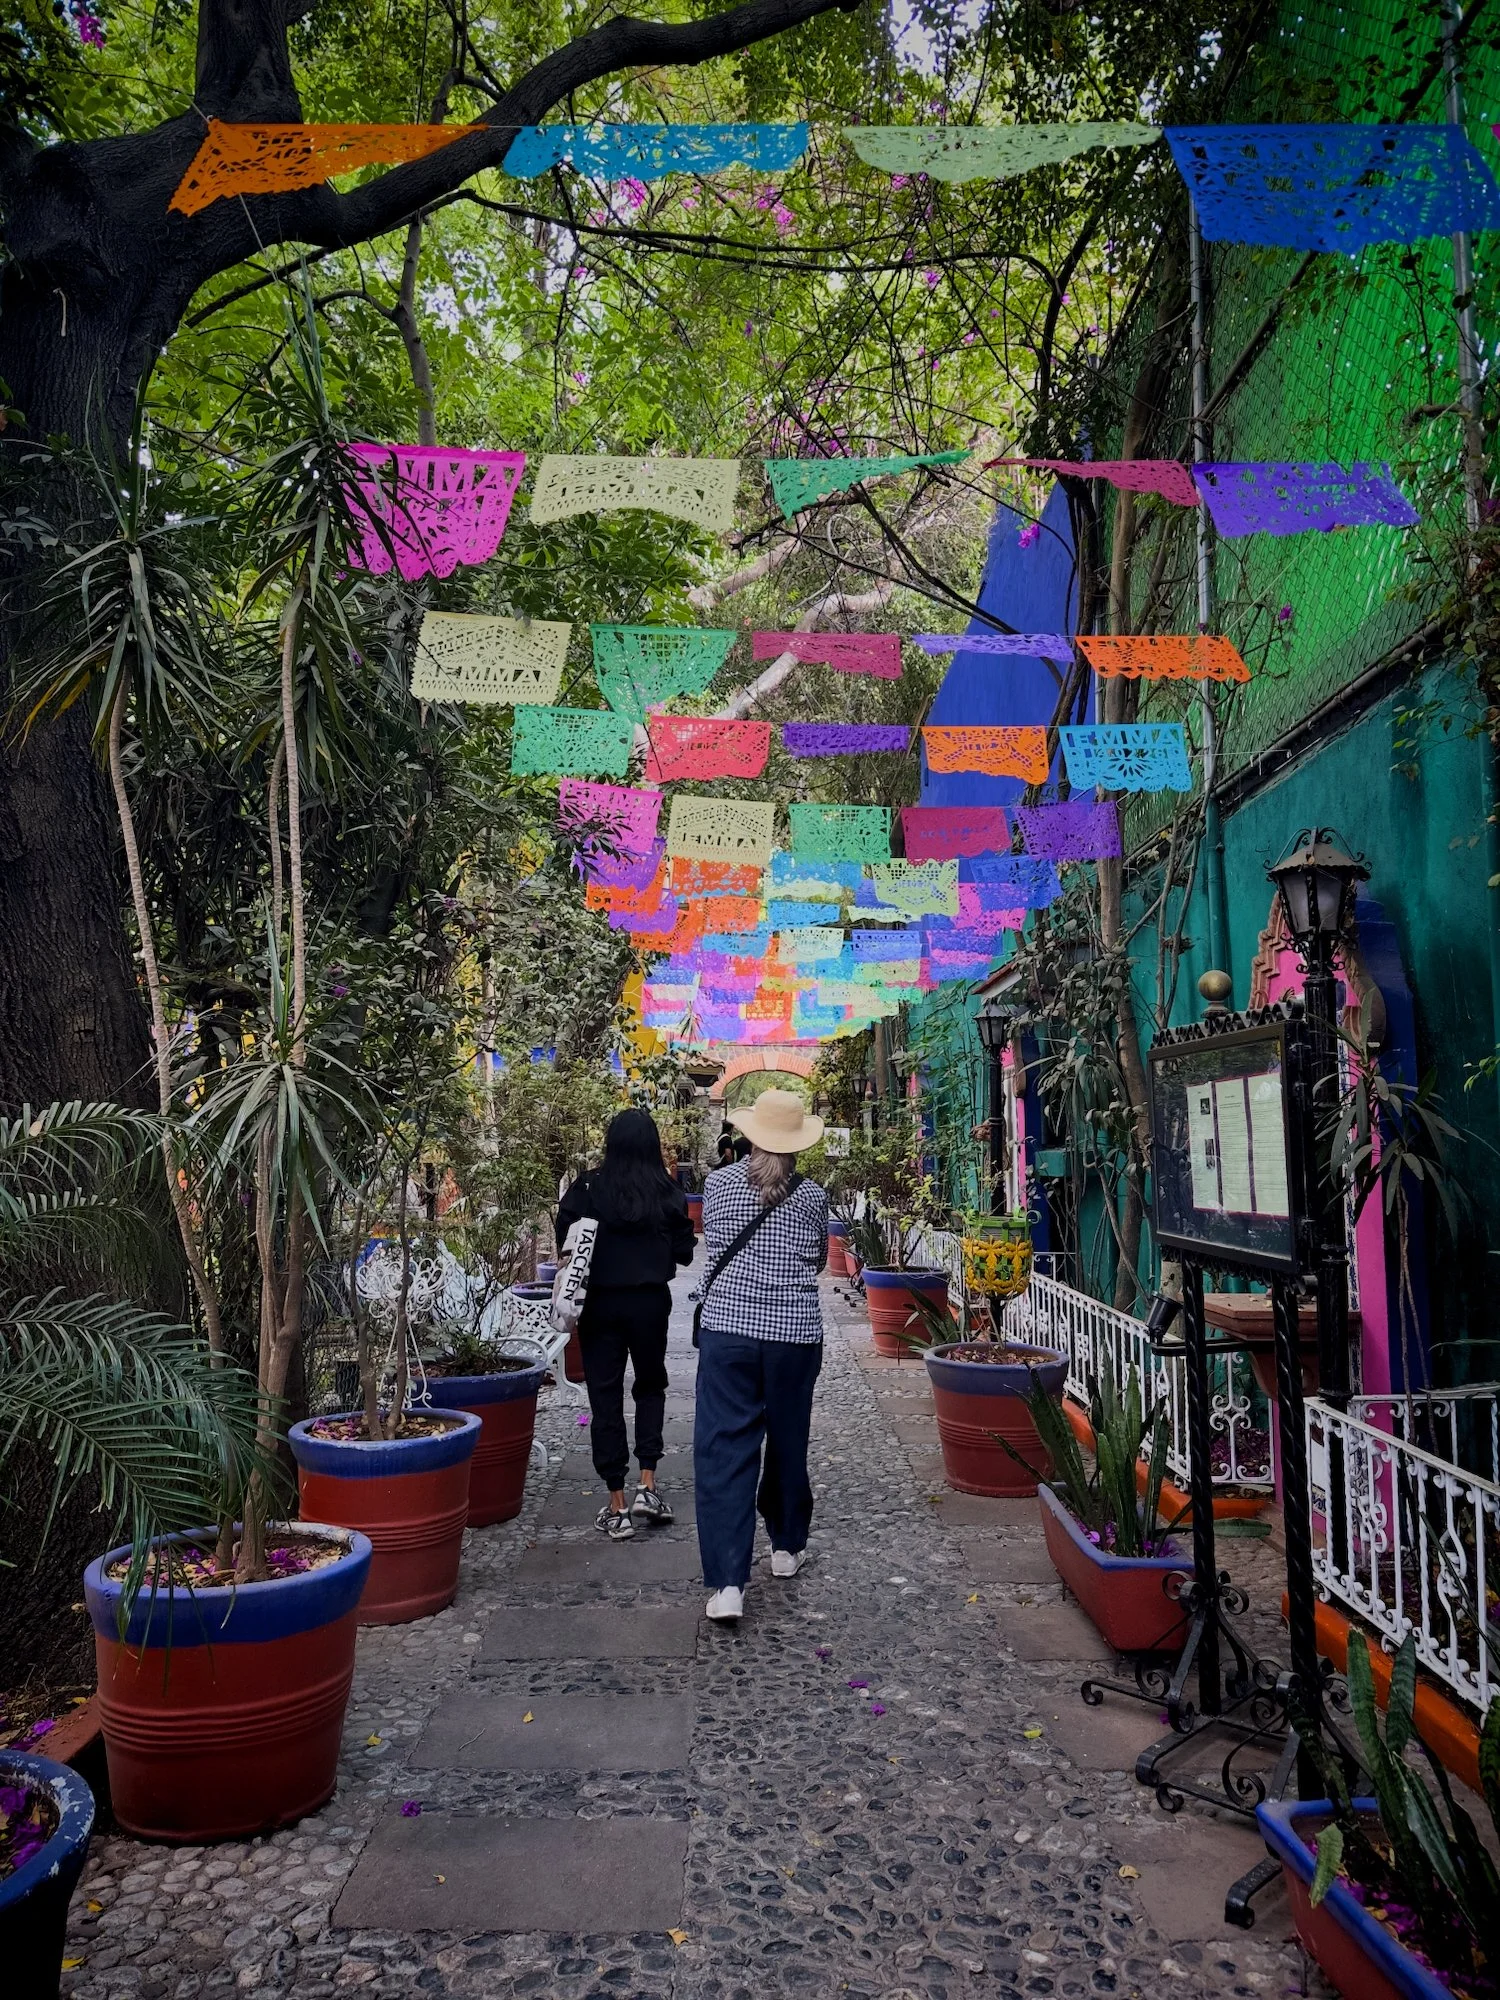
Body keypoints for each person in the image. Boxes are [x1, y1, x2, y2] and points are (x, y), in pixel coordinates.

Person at [693, 1089, 829, 1623]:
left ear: (748, 1137)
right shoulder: (813, 1195)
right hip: (793, 1336)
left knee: (726, 1449)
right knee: (788, 1439)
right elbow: (818, 1257)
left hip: (728, 1333)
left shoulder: (717, 1184)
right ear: (797, 1145)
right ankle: (786, 1546)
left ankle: (727, 1584)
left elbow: (712, 1245)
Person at [556, 1109, 696, 1540]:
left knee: (605, 1395)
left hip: (600, 1304)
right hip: (650, 1302)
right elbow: (685, 1250)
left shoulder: (587, 1187)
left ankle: (615, 1503)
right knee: (651, 1386)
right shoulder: (667, 1190)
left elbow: (566, 1239)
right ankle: (647, 1484)